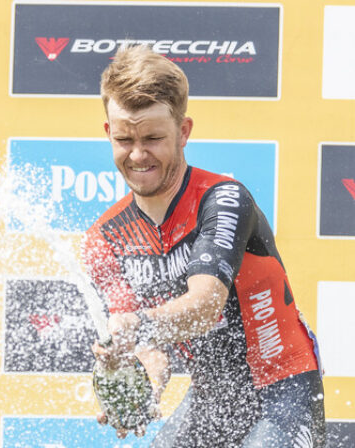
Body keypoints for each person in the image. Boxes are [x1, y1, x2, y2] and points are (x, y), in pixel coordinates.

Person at [83, 45, 326, 447]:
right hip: (210, 400)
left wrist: (137, 326)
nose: (138, 155)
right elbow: (150, 349)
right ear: (108, 132)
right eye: (125, 139)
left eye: (153, 138)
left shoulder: (223, 199)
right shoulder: (103, 238)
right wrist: (143, 387)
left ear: (184, 131)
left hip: (282, 390)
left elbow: (206, 305)